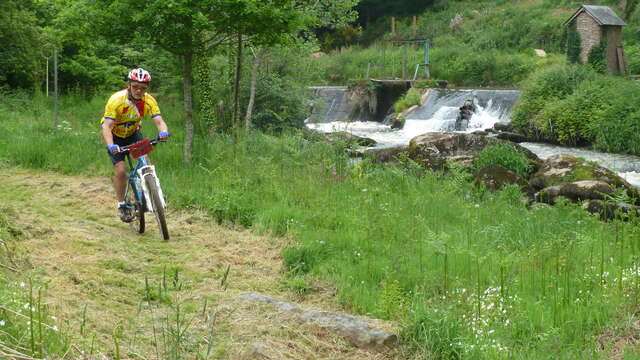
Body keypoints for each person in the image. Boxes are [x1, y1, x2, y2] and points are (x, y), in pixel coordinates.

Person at [101, 68, 169, 222]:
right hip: (115, 137)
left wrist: (164, 131)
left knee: (147, 164)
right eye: (135, 87)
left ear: (147, 88)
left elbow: (159, 120)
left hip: (132, 134)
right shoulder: (116, 100)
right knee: (120, 171)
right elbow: (106, 127)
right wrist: (111, 146)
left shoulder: (149, 100)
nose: (139, 91)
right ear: (129, 85)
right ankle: (122, 205)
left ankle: (153, 193)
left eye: (143, 88)